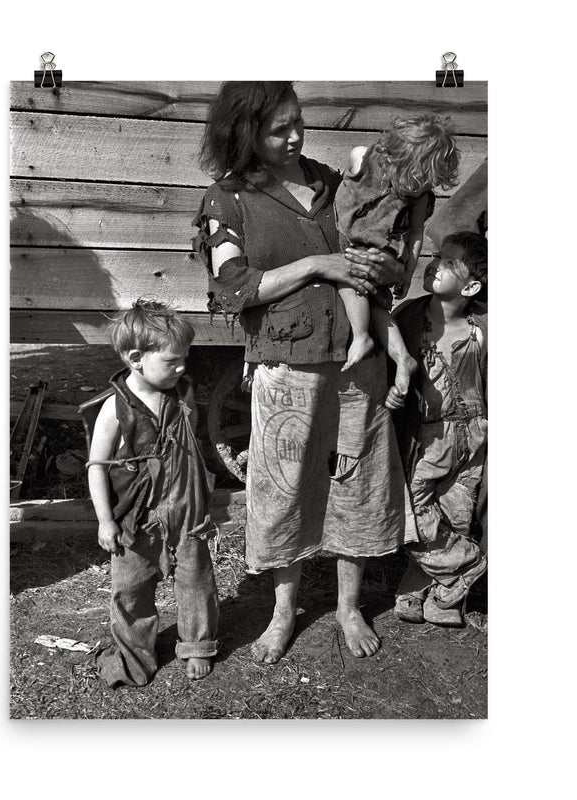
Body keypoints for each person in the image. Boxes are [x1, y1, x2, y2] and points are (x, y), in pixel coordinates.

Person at [192, 81, 417, 663]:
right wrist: (319, 262)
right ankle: (282, 611)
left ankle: (347, 606)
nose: (293, 137)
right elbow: (232, 289)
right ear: (245, 135)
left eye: (298, 123)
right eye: (277, 129)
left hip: (355, 359)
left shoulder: (331, 183)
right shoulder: (229, 200)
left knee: (359, 483)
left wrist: (384, 262)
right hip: (285, 364)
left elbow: (385, 259)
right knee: (283, 490)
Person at [82, 300, 219, 686]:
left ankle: (197, 645)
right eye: (173, 361)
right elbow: (97, 468)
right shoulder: (114, 409)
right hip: (137, 518)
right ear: (136, 358)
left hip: (185, 511)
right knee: (130, 592)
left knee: (196, 583)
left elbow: (190, 449)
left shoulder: (180, 396)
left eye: (184, 359)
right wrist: (105, 520)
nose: (182, 368)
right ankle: (133, 655)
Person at [390, 232, 488, 627]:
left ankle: (439, 597)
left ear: (471, 287)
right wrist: (391, 396)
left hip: (474, 434)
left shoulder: (484, 326)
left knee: (456, 512)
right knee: (409, 513)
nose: (435, 263)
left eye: (449, 262)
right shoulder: (407, 319)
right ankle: (472, 565)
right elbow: (387, 371)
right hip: (426, 438)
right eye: (436, 255)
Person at [333, 115, 460, 370]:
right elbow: (345, 188)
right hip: (346, 235)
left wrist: (407, 273)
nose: (421, 188)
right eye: (419, 180)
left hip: (376, 246)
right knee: (376, 302)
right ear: (398, 159)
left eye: (427, 184)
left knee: (351, 281)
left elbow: (414, 234)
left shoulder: (420, 196)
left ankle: (361, 338)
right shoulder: (362, 157)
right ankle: (403, 358)